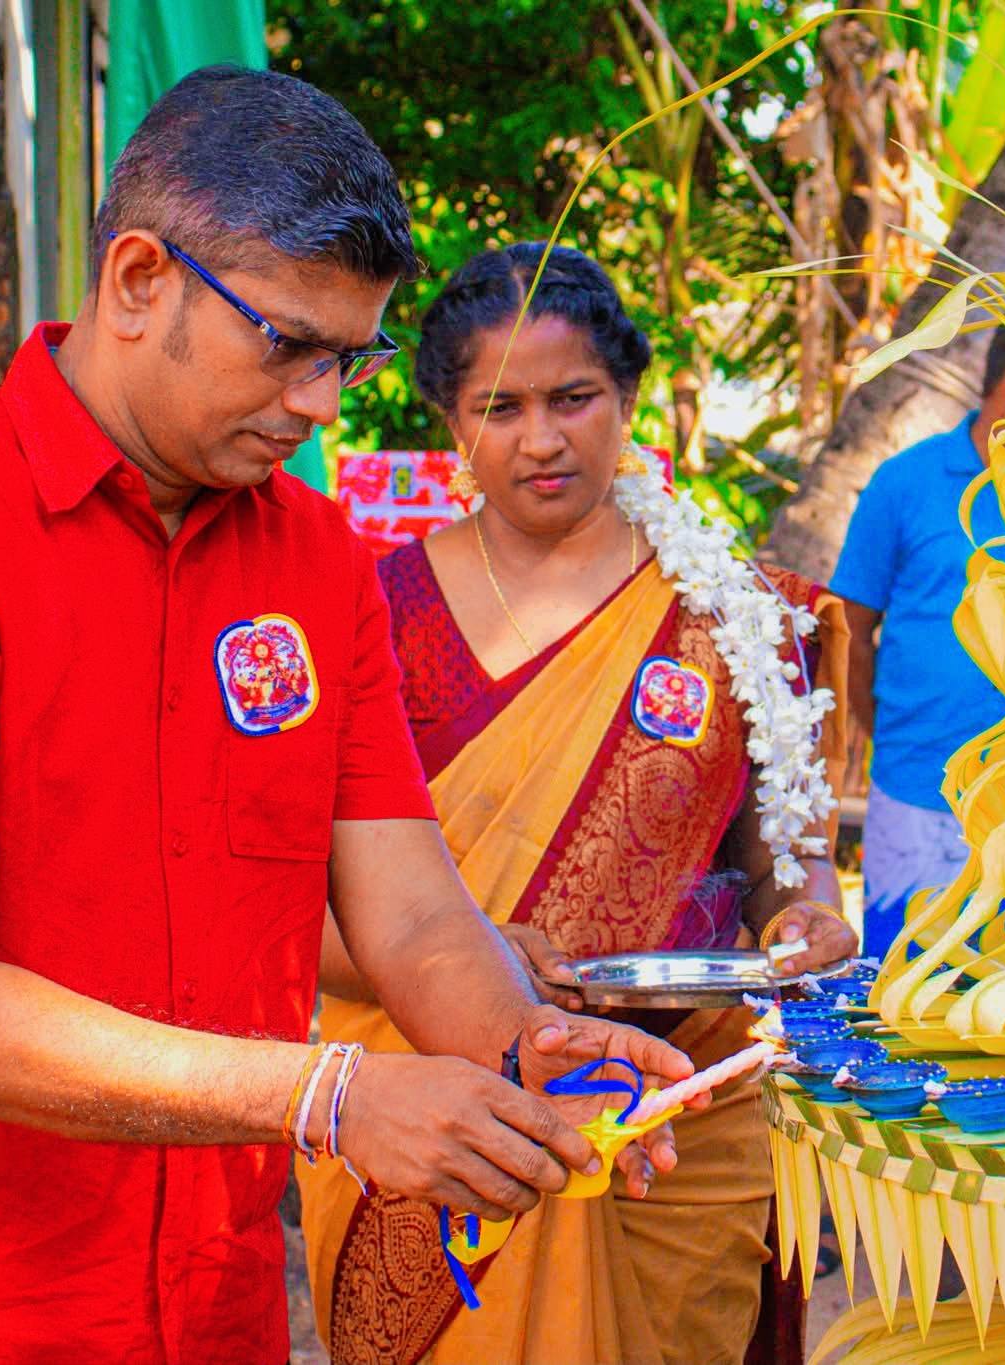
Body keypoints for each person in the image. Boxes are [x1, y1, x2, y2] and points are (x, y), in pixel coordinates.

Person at [0, 70, 693, 1365]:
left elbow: (413, 915)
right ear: (140, 281)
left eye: (348, 358)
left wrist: (526, 1048)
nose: (321, 404)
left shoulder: (315, 559)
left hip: (215, 1307)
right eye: (288, 345)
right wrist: (329, 1092)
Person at [296, 243, 859, 1365]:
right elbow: (298, 902)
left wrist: (807, 915)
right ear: (449, 421)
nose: (541, 439)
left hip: (678, 1124)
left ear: (628, 396)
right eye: (498, 408)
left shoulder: (730, 615)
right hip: (436, 1120)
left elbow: (778, 865)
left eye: (573, 398)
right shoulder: (365, 613)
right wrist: (470, 969)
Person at [831, 323, 1005, 958]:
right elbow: (848, 629)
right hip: (917, 792)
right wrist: (889, 729)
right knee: (904, 982)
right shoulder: (905, 482)